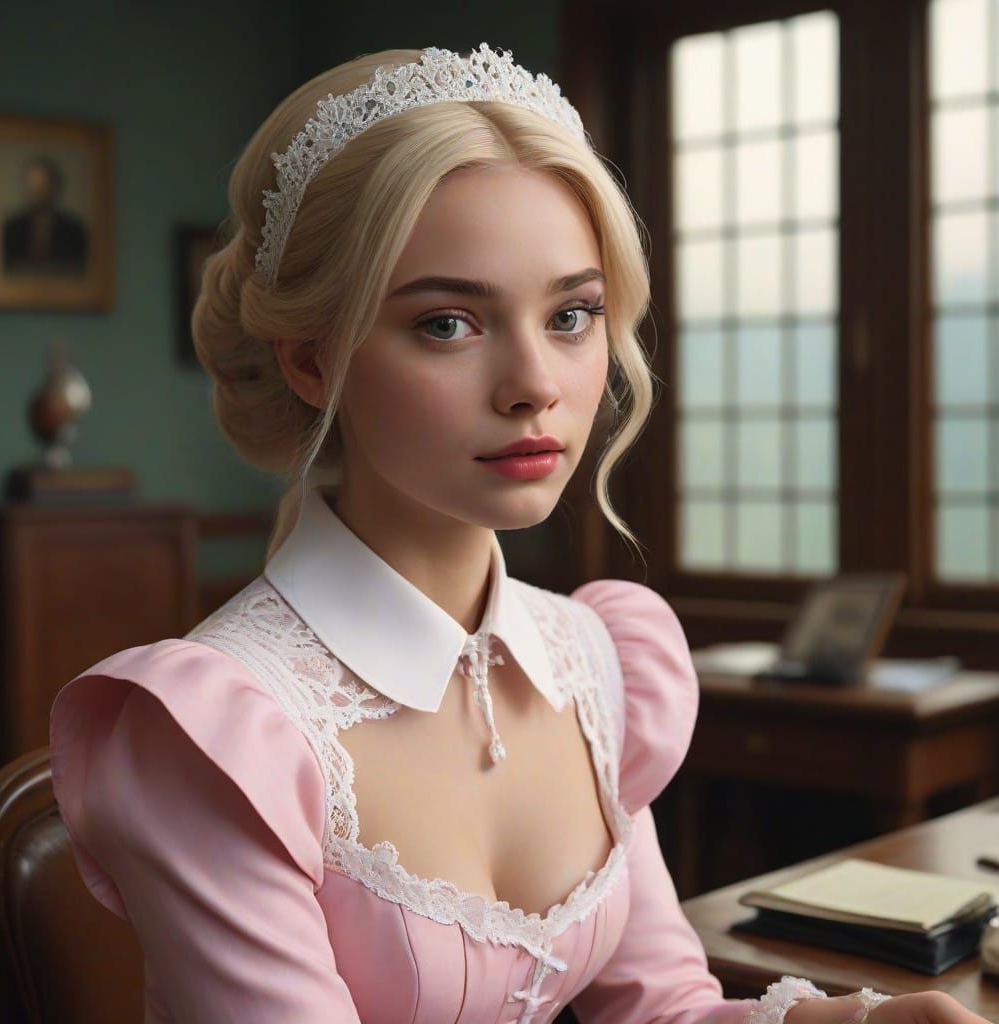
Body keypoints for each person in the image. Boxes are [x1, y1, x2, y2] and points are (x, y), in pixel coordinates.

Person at [48, 43, 986, 1024]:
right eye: (449, 323)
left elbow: (659, 1007)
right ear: (311, 361)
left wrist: (870, 1018)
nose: (535, 383)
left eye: (573, 314)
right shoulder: (218, 731)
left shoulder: (593, 656)